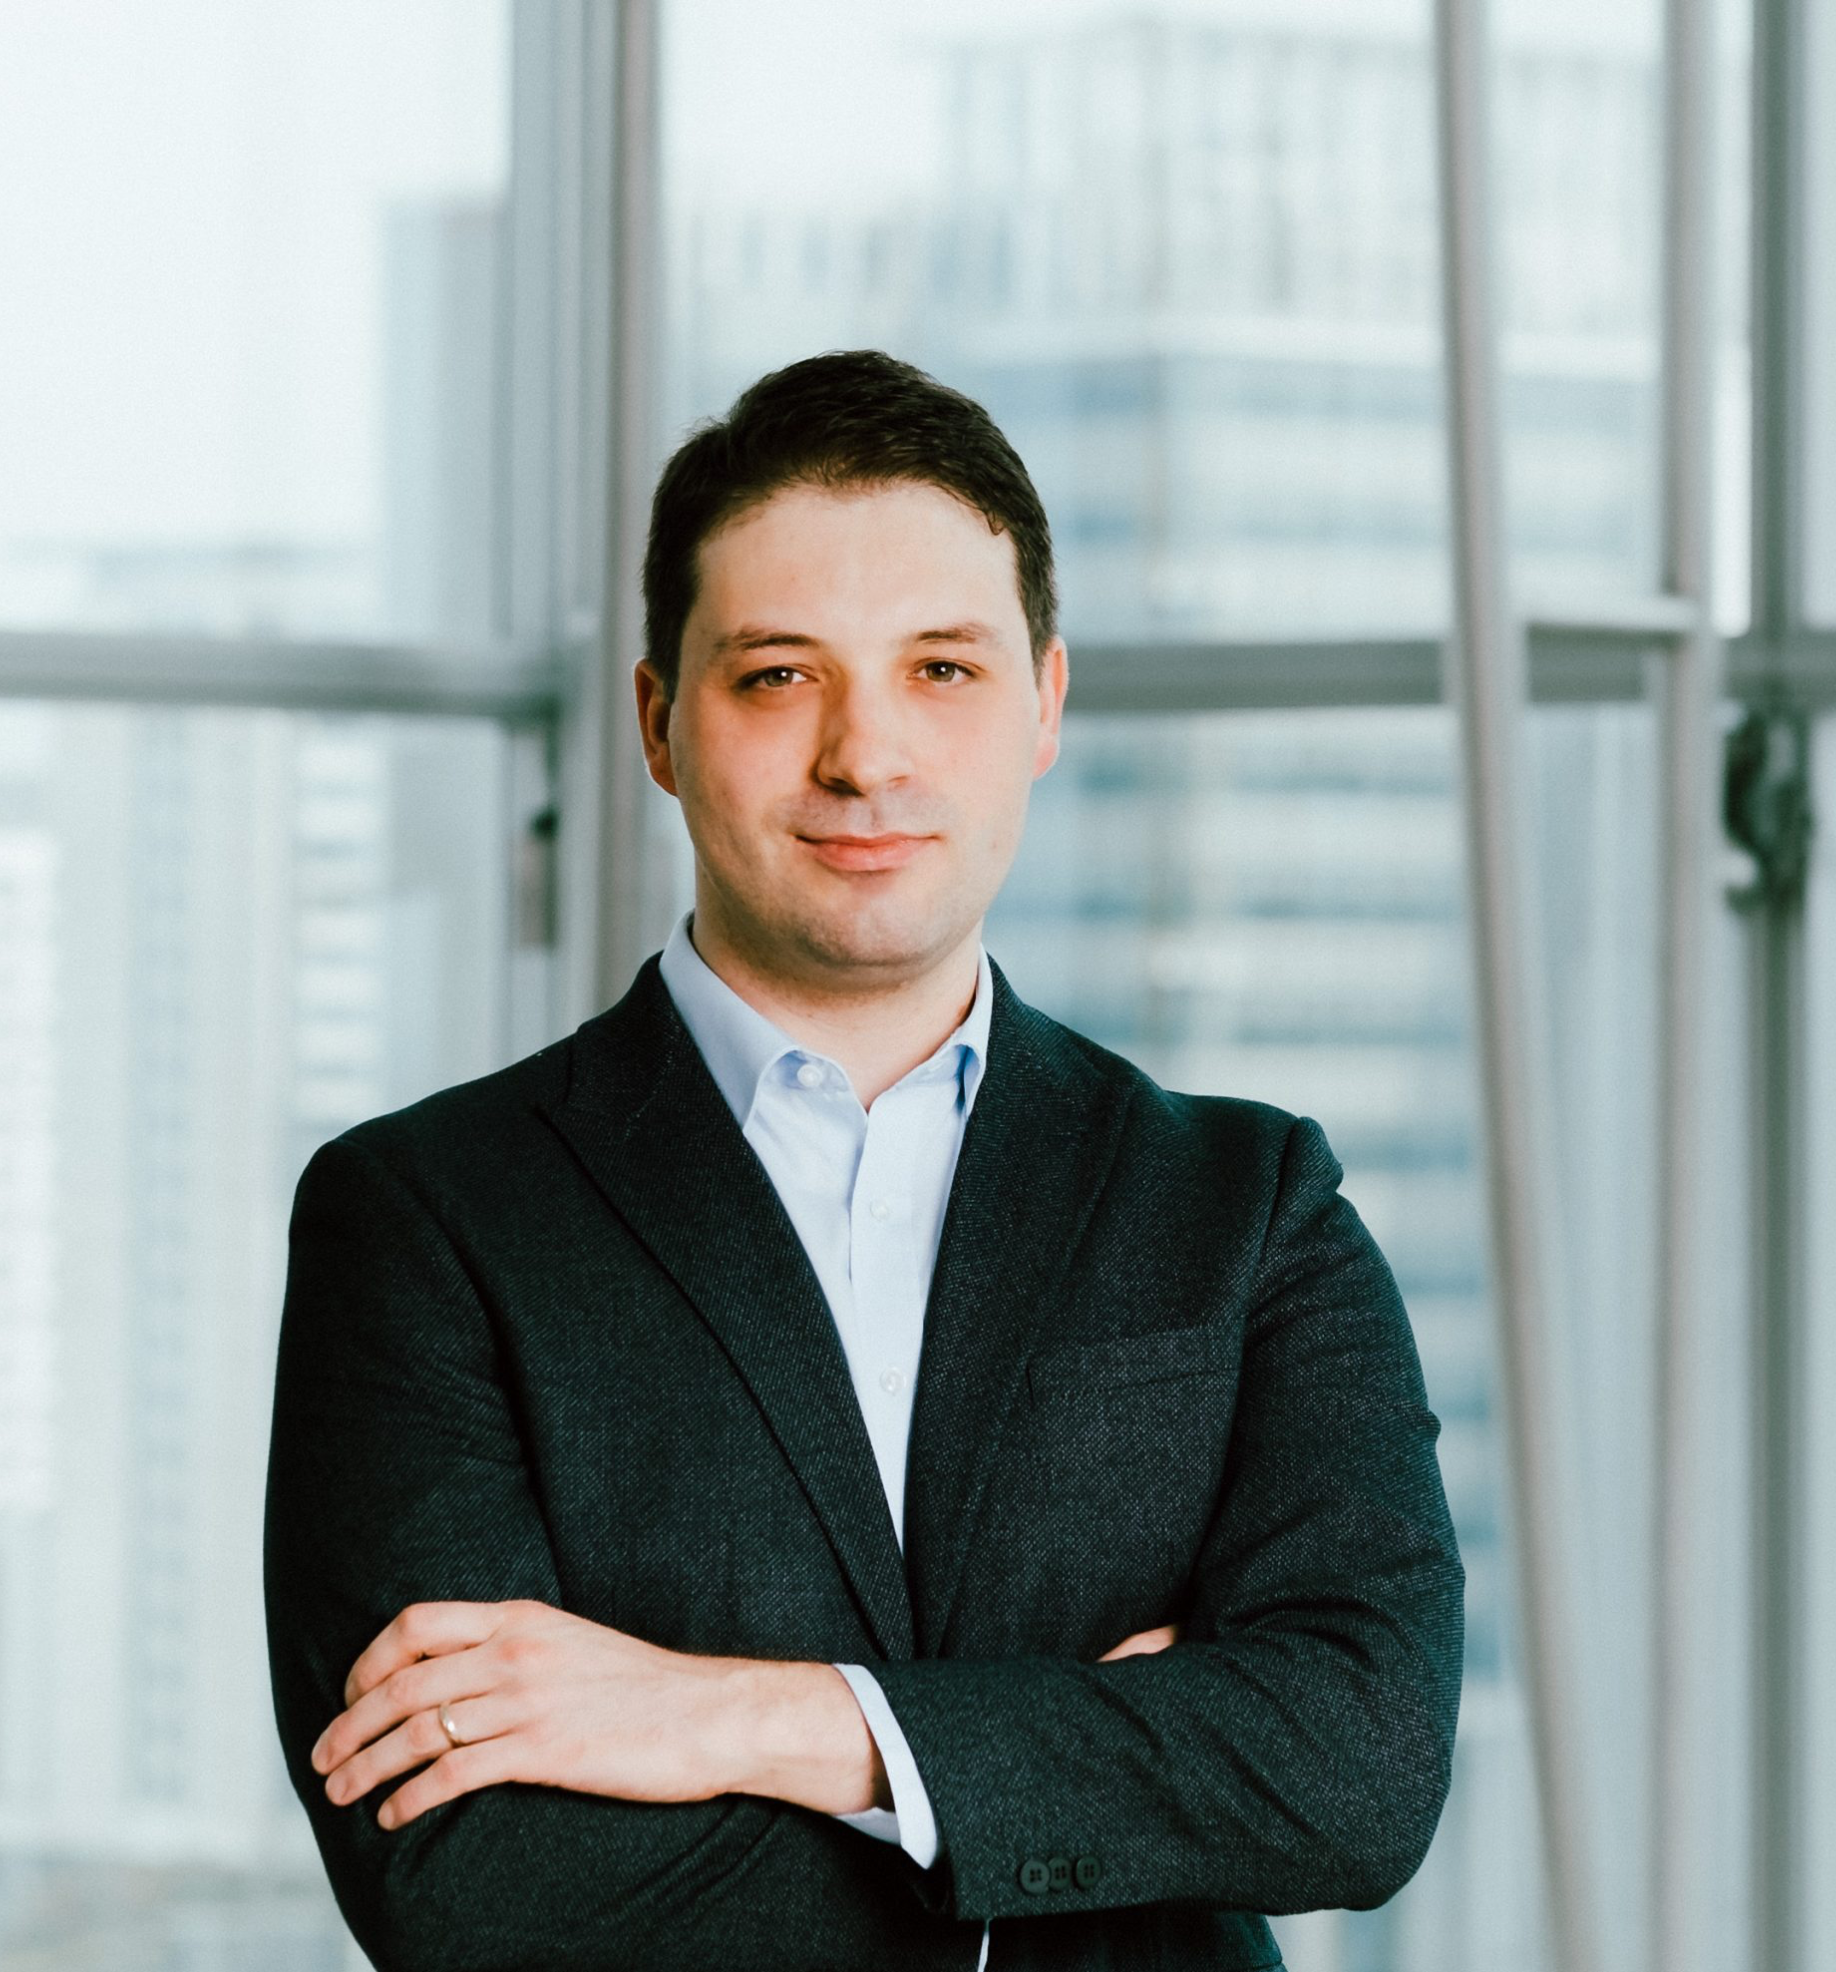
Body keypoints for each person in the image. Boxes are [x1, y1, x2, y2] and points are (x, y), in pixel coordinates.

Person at [263, 349, 1463, 1972]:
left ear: (1045, 704)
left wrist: (740, 1720)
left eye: (942, 670)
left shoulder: (1247, 1208)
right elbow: (469, 1876)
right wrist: (1094, 1786)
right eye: (777, 676)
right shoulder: (426, 1220)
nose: (865, 755)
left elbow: (1360, 1770)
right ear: (659, 722)